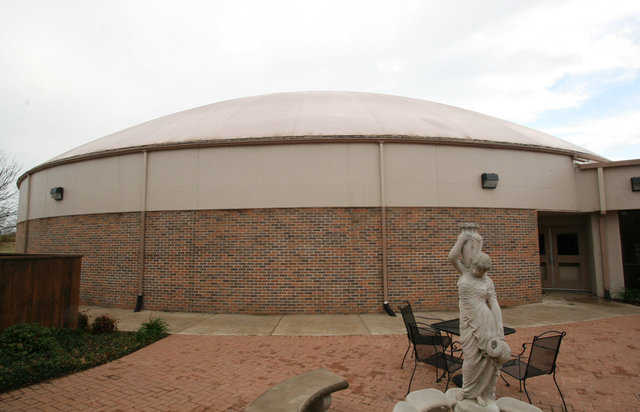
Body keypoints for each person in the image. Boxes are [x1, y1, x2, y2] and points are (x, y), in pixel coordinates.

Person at [448, 227, 510, 407]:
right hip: (468, 321)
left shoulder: (487, 281)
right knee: (470, 358)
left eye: (481, 270)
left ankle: (483, 392)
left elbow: (495, 305)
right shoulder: (465, 272)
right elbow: (452, 257)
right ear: (473, 265)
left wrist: (499, 327)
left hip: (486, 320)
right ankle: (468, 390)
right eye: (476, 268)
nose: (477, 272)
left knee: (487, 358)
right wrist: (462, 239)